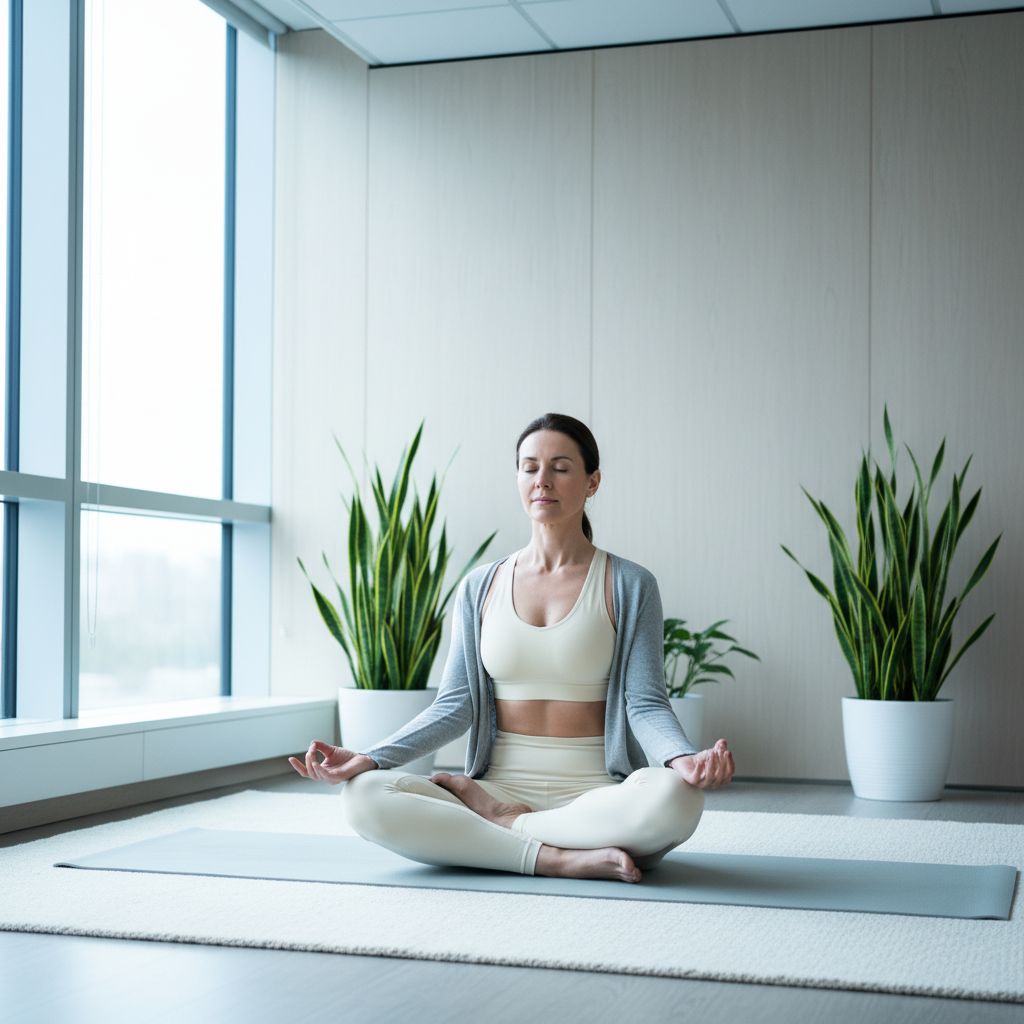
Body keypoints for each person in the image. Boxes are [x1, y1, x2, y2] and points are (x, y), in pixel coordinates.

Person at [289, 412, 735, 884]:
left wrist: (682, 759)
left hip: (597, 794)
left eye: (561, 468)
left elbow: (644, 703)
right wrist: (371, 758)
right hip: (497, 782)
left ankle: (504, 827)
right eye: (529, 467)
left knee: (677, 798)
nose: (542, 480)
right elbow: (454, 706)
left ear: (592, 481)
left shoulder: (629, 584)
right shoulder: (480, 586)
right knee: (363, 798)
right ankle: (557, 858)